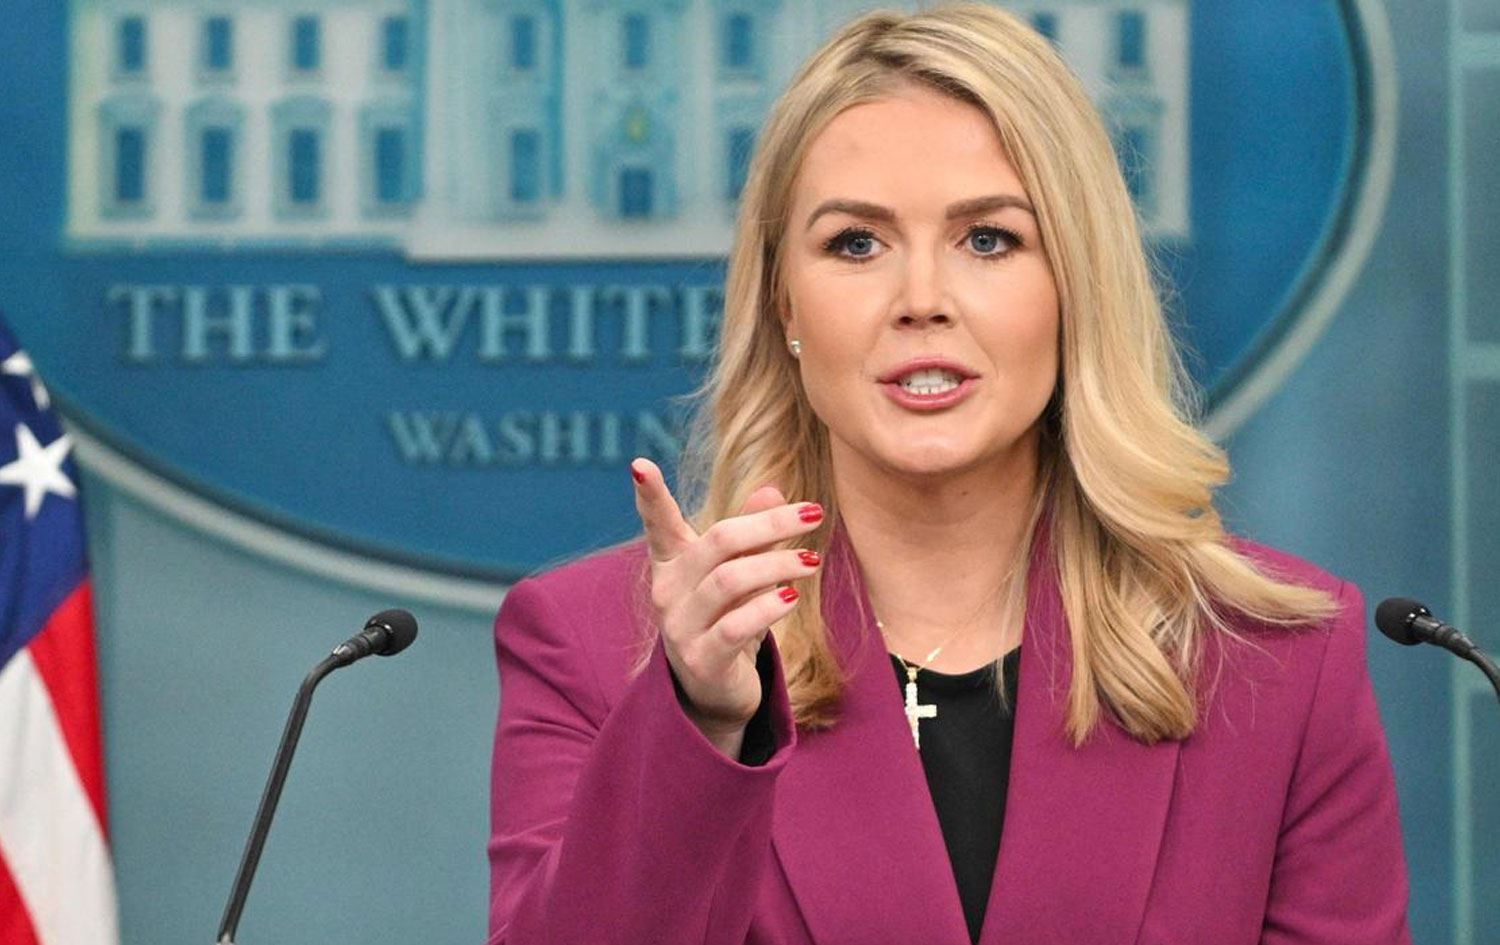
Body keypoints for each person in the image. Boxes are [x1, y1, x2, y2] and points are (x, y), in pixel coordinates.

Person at [486, 4, 1412, 944]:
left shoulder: (1278, 663)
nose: (921, 300)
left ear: (1076, 286)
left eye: (988, 240)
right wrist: (699, 726)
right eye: (857, 244)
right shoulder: (593, 647)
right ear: (784, 304)